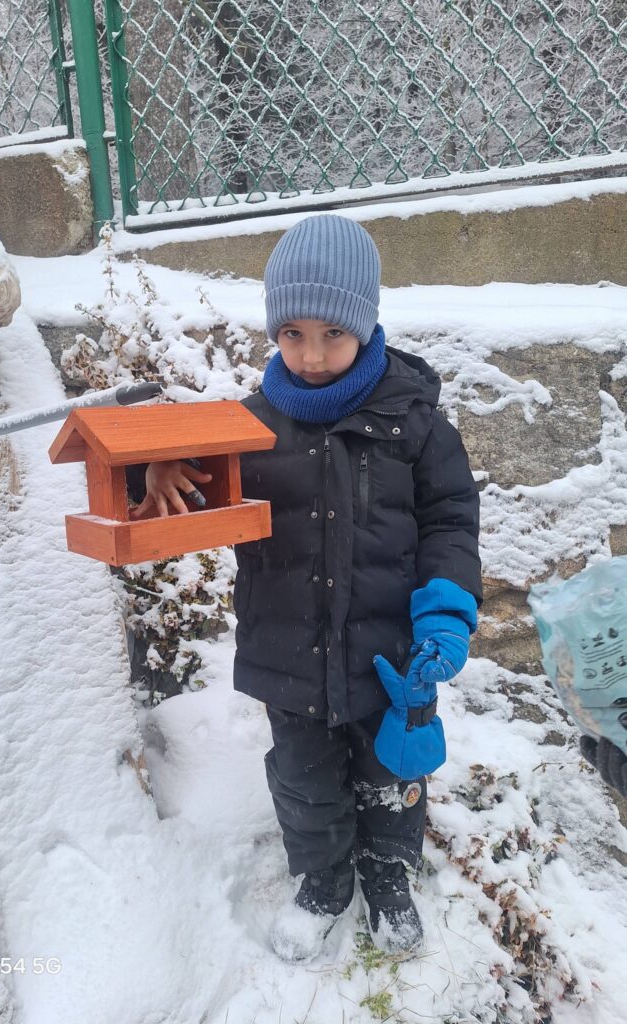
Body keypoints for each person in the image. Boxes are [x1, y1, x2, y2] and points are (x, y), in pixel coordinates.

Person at [130, 214, 483, 962]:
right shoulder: (249, 426)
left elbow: (450, 520)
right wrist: (154, 470)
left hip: (390, 652)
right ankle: (322, 882)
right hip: (287, 652)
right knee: (304, 779)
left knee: (391, 771)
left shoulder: (414, 423)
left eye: (333, 333)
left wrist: (446, 615)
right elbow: (190, 495)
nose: (312, 355)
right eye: (292, 333)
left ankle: (387, 873)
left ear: (367, 322)